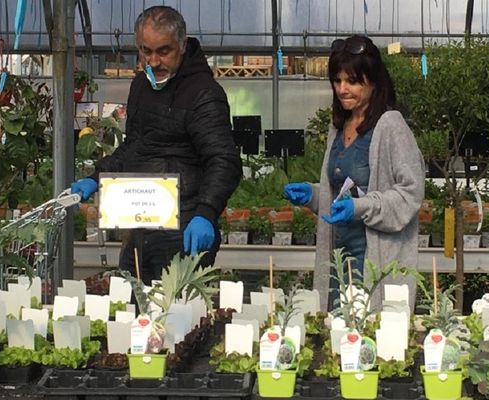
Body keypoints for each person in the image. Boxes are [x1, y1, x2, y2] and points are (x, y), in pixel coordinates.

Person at [71, 6, 242, 283]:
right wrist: (97, 178)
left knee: (177, 314)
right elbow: (135, 145)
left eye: (163, 51)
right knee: (134, 307)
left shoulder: (204, 94)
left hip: (184, 225)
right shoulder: (141, 86)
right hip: (142, 222)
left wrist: (206, 213)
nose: (153, 61)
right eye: (145, 51)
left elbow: (223, 159)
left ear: (183, 45)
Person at [283, 35, 424, 311]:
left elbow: (411, 193)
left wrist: (360, 208)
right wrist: (314, 194)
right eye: (337, 81)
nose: (342, 89)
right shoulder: (338, 128)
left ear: (373, 81)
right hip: (338, 255)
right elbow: (342, 190)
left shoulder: (390, 126)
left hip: (372, 257)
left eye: (352, 81)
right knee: (336, 335)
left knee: (366, 334)